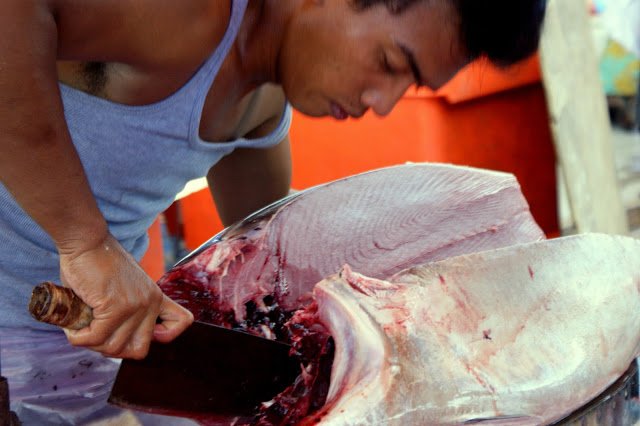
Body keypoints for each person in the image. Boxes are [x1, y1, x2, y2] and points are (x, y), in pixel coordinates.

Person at [0, 0, 546, 423]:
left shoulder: (258, 110)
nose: (382, 102)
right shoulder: (188, 15)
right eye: (388, 63)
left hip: (71, 350)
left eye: (410, 85)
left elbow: (271, 276)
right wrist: (85, 243)